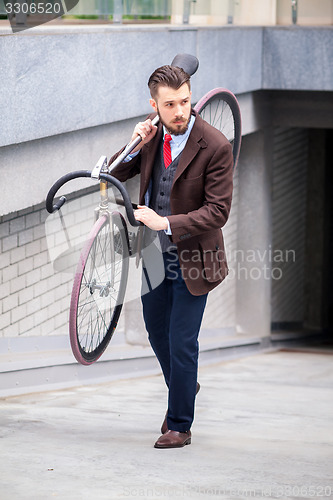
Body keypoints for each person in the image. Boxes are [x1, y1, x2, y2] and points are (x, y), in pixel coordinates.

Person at [108, 65, 233, 449]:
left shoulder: (215, 145)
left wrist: (165, 221)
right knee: (155, 332)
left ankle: (179, 423)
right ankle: (185, 384)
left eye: (185, 102)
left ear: (190, 98)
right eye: (170, 105)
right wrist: (134, 142)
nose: (179, 111)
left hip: (194, 259)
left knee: (182, 342)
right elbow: (114, 172)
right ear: (155, 105)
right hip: (153, 257)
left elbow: (218, 211)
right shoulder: (151, 136)